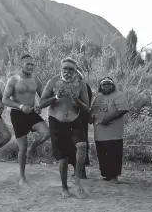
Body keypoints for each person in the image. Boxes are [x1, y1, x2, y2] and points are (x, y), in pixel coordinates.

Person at [39, 57, 90, 199]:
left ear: (75, 70)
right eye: (65, 68)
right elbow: (41, 103)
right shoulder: (53, 82)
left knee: (82, 145)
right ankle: (64, 187)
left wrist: (77, 100)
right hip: (56, 121)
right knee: (63, 159)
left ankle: (77, 179)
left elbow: (86, 107)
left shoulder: (81, 85)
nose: (67, 71)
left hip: (74, 120)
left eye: (70, 69)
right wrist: (56, 97)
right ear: (61, 69)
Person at [2, 54, 50, 185]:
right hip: (18, 114)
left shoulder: (36, 80)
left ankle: (33, 147)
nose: (30, 67)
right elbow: (5, 100)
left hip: (31, 113)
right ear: (21, 65)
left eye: (32, 64)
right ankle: (22, 176)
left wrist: (40, 107)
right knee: (22, 147)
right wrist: (21, 106)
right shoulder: (14, 80)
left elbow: (43, 98)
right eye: (28, 64)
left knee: (47, 133)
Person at [88, 77, 129, 183]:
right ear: (100, 87)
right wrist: (90, 117)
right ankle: (106, 175)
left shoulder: (118, 95)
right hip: (100, 133)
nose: (106, 86)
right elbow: (92, 112)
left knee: (114, 154)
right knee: (102, 155)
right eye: (103, 85)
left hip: (114, 134)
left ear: (113, 85)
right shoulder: (97, 98)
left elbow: (123, 110)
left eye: (108, 84)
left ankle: (114, 176)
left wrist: (108, 118)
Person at [70, 68, 93, 179]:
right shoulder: (77, 85)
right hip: (74, 117)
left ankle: (80, 171)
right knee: (77, 144)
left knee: (80, 143)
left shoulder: (83, 86)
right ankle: (78, 170)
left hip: (80, 117)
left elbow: (86, 104)